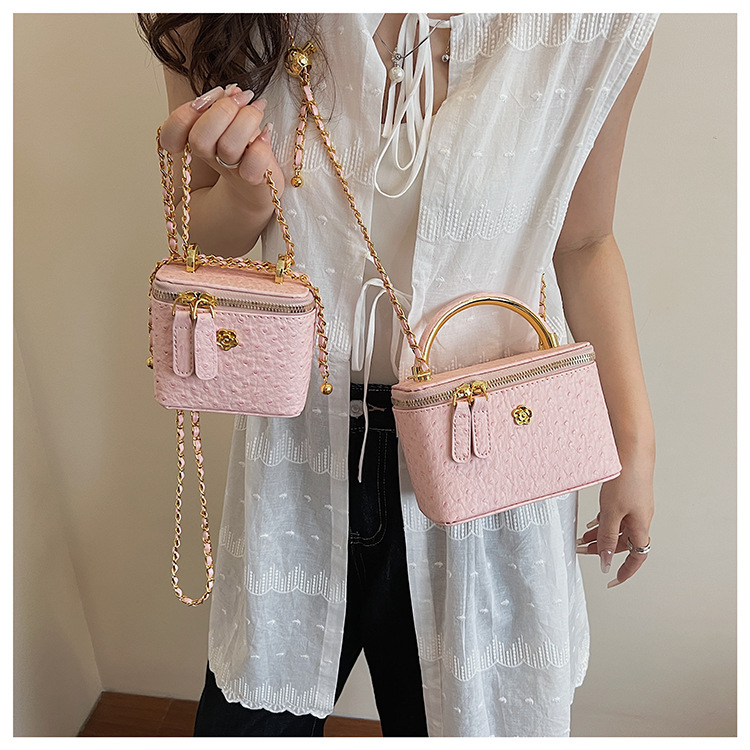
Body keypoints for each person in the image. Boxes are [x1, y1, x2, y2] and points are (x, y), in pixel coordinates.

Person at [139, 12, 657, 737]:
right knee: (249, 722)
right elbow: (198, 243)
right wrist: (248, 197)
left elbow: (586, 241)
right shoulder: (227, 19)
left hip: (490, 460)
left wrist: (633, 444)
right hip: (302, 452)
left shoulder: (589, 22)